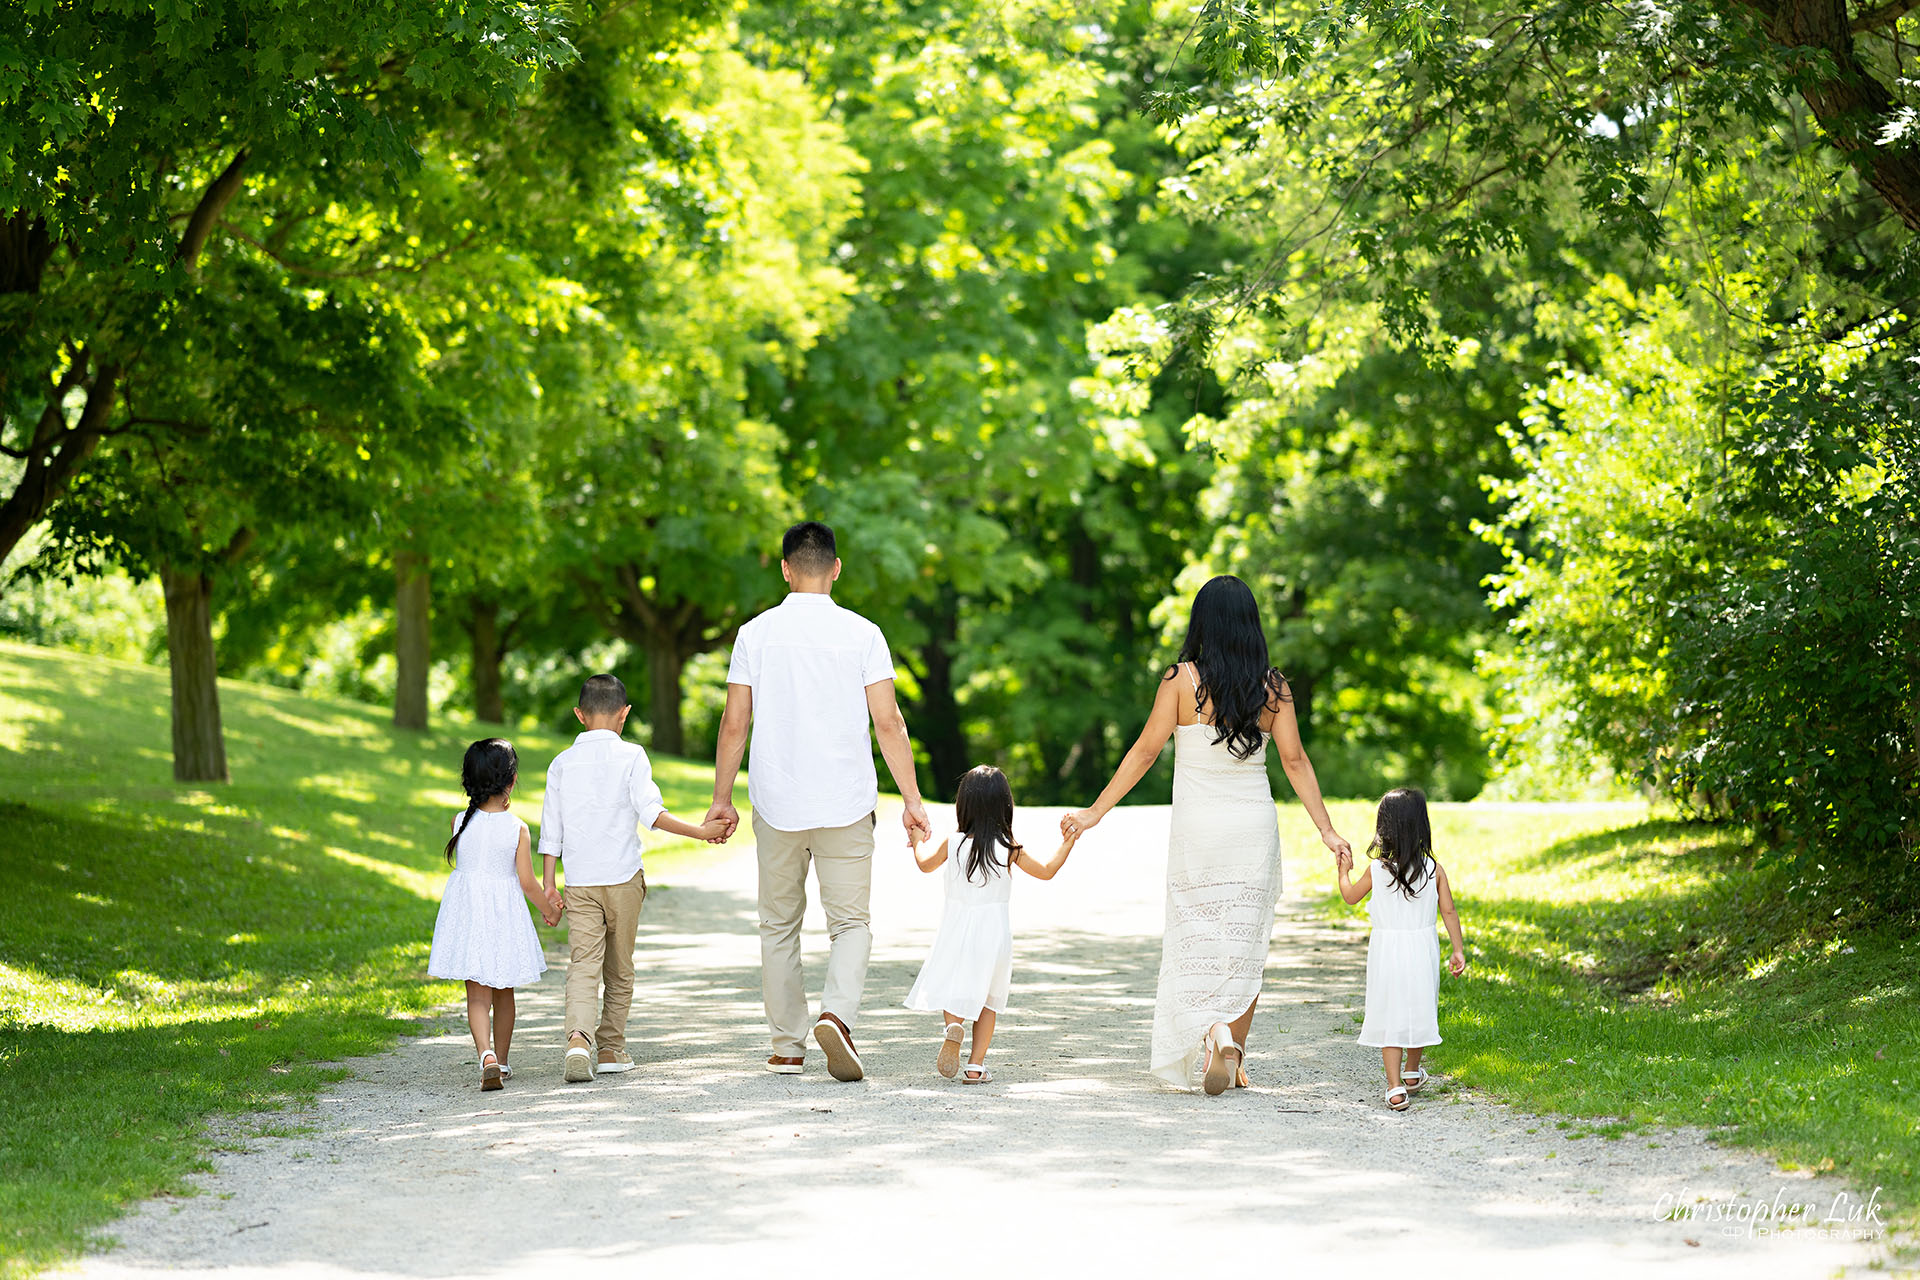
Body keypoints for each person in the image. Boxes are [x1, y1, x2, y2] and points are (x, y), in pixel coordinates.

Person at [1062, 574, 1355, 1095]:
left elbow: (1145, 751)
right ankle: (1232, 1048)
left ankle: (1216, 1034)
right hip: (1251, 827)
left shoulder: (1180, 680)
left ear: (1203, 622)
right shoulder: (1274, 687)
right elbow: (1294, 759)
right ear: (1250, 624)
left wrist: (1094, 812)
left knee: (1196, 934)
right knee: (1244, 940)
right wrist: (1328, 831)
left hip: (1199, 829)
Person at [707, 521, 933, 1081]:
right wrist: (913, 799)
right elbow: (889, 721)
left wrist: (721, 800)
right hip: (845, 802)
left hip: (777, 802)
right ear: (836, 567)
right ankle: (837, 1015)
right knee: (851, 923)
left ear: (786, 569)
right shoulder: (864, 634)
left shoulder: (754, 634)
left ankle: (787, 1045)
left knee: (778, 925)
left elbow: (735, 724)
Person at [540, 674, 727, 1084]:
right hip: (623, 878)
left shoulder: (561, 764)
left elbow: (550, 829)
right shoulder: (633, 756)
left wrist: (548, 884)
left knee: (583, 965)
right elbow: (651, 813)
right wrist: (700, 831)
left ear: (579, 715)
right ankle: (610, 1048)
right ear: (624, 714)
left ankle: (577, 1039)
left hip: (581, 882)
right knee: (620, 968)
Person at [904, 766, 1080, 1083]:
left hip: (956, 928)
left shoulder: (954, 843)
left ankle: (952, 1028)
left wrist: (917, 838)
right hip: (993, 934)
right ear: (1005, 806)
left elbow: (924, 863)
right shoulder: (1010, 850)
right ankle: (975, 1065)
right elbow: (1047, 870)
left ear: (964, 806)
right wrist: (1068, 842)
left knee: (952, 986)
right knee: (988, 999)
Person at [428, 738, 562, 1091]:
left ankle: (484, 1054)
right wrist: (550, 910)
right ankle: (501, 1063)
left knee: (476, 995)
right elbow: (528, 882)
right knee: (505, 992)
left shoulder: (460, 821)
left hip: (468, 913)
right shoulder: (516, 827)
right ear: (512, 781)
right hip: (503, 914)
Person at [1336, 786, 1467, 1111]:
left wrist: (1342, 872)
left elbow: (1350, 896)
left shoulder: (1377, 870)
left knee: (1390, 1012)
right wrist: (1457, 950)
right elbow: (1448, 911)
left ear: (1384, 828)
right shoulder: (1433, 870)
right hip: (1422, 949)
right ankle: (1412, 1071)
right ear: (1421, 826)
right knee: (1419, 1007)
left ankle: (1395, 1087)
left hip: (1386, 951)